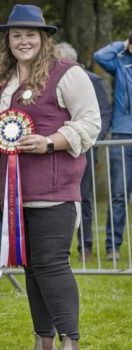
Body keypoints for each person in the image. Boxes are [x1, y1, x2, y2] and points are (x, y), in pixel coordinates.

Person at [0, 4, 100, 350]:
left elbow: (90, 123)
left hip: (53, 191)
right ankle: (43, 343)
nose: (23, 41)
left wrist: (51, 141)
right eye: (16, 35)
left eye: (31, 34)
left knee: (51, 264)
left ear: (44, 38)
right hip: (12, 194)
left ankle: (70, 346)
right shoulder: (0, 80)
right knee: (31, 267)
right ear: (8, 41)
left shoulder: (68, 74)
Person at [56, 42, 112, 261]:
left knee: (85, 198)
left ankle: (85, 246)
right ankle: (61, 247)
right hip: (56, 148)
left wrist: (91, 139)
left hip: (83, 148)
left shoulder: (91, 80)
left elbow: (103, 113)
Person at [93, 32, 132, 262]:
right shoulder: (120, 61)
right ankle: (112, 246)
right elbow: (100, 55)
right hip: (122, 134)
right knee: (118, 194)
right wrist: (124, 44)